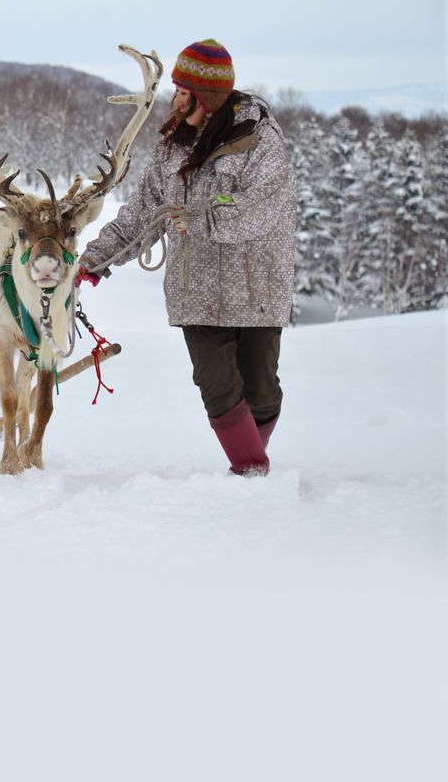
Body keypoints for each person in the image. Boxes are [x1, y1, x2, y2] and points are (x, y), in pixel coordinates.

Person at [78, 39, 296, 475]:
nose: (174, 100)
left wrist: (199, 217)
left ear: (208, 99)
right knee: (217, 386)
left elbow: (263, 208)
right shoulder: (171, 149)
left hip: (256, 286)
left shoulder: (260, 140)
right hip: (195, 287)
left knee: (262, 390)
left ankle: (250, 459)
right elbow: (144, 210)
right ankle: (251, 470)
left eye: (183, 93)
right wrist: (96, 258)